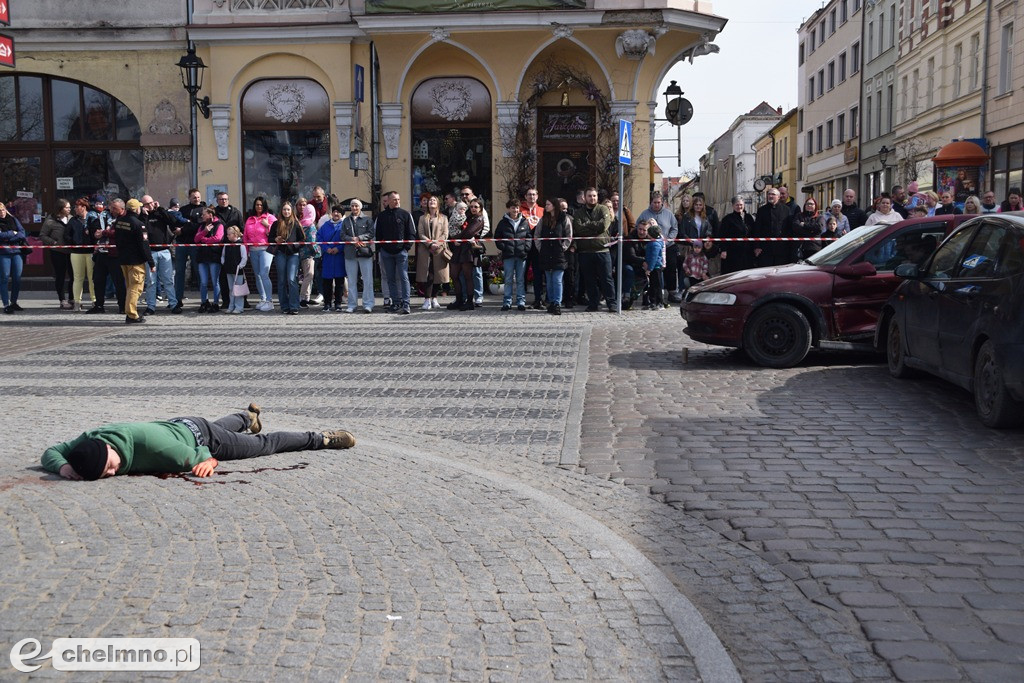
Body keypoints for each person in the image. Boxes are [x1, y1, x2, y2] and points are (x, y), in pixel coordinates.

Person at [41, 405, 356, 481]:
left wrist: (207, 463)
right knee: (225, 426)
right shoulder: (90, 441)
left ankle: (322, 438)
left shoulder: (158, 450)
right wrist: (65, 466)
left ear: (111, 451)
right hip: (181, 424)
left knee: (263, 445)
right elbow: (51, 451)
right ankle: (247, 415)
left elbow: (197, 454)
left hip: (201, 439)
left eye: (109, 467)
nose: (111, 473)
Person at [573, 187, 617, 312]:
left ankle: (611, 303)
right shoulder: (578, 212)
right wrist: (594, 226)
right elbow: (578, 229)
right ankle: (593, 303)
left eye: (594, 196)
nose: (592, 198)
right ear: (584, 198)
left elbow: (604, 226)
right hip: (585, 252)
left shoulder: (603, 209)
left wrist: (587, 224)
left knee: (606, 279)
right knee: (589, 280)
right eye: (589, 196)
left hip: (602, 251)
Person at [114, 198, 155, 324]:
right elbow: (144, 245)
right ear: (136, 209)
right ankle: (131, 314)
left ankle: (129, 312)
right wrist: (151, 262)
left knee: (129, 287)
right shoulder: (138, 225)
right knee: (135, 288)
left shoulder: (119, 222)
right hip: (135, 262)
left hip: (123, 260)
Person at [140, 195, 183, 315]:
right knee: (151, 282)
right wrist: (144, 215)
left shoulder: (160, 214)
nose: (150, 206)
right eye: (146, 204)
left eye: (151, 203)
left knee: (168, 280)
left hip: (164, 250)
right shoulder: (142, 217)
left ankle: (173, 304)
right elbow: (141, 229)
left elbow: (173, 221)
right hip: (150, 252)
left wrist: (160, 209)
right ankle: (151, 306)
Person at [375, 191, 417, 314]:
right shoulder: (382, 216)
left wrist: (406, 248)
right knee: (390, 279)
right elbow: (378, 235)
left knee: (404, 277)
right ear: (388, 201)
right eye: (394, 199)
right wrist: (381, 248)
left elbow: (412, 233)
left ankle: (406, 303)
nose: (397, 201)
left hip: (401, 252)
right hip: (386, 252)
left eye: (398, 199)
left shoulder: (405, 214)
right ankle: (395, 302)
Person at [636, 192, 678, 299]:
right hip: (651, 246)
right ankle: (651, 295)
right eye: (654, 202)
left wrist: (668, 240)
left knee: (671, 269)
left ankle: (672, 292)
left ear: (662, 202)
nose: (657, 205)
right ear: (651, 202)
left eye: (659, 202)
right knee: (654, 272)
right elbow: (638, 226)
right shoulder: (645, 214)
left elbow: (674, 228)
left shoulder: (669, 214)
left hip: (668, 246)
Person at [88, 199, 127, 315]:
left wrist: (104, 233)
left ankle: (122, 306)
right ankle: (99, 305)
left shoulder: (124, 218)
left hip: (115, 254)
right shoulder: (102, 216)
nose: (112, 210)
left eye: (115, 208)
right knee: (98, 280)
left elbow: (119, 232)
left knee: (119, 281)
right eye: (111, 207)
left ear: (122, 208)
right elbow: (94, 228)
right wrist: (95, 232)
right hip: (101, 252)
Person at [449, 198, 486, 311]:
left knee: (468, 276)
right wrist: (453, 239)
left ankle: (470, 302)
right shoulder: (468, 217)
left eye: (476, 207)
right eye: (472, 206)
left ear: (480, 208)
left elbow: (469, 233)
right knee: (454, 275)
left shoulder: (479, 219)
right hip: (459, 248)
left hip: (468, 250)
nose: (473, 209)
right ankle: (459, 299)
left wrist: (455, 238)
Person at [537, 199, 572, 315]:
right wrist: (540, 248)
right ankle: (551, 302)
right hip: (546, 254)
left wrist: (563, 247)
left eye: (548, 204)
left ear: (554, 206)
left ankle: (557, 303)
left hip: (558, 255)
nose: (546, 206)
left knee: (557, 280)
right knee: (549, 280)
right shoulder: (543, 219)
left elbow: (569, 235)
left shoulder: (564, 218)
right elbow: (537, 235)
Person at [173, 188, 205, 313]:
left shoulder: (204, 209)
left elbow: (199, 226)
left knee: (199, 271)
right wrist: (182, 227)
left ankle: (204, 300)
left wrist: (184, 229)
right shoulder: (183, 210)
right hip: (182, 244)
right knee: (179, 271)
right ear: (189, 198)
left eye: (198, 197)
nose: (196, 199)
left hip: (195, 244)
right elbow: (176, 222)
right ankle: (178, 299)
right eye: (194, 197)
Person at [415, 194, 450, 310]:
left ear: (438, 203)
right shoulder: (422, 218)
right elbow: (420, 233)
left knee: (438, 275)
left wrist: (437, 244)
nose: (431, 202)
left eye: (434, 200)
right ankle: (427, 299)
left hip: (439, 250)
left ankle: (434, 298)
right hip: (426, 250)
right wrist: (430, 243)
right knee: (428, 275)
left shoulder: (443, 218)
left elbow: (445, 234)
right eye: (430, 201)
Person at [494, 199, 530, 311]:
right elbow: (497, 237)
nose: (515, 210)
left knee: (520, 279)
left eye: (517, 207)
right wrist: (503, 247)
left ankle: (521, 302)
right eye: (513, 207)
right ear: (509, 208)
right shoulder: (503, 222)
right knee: (508, 279)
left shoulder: (524, 221)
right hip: (508, 255)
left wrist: (526, 248)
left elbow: (529, 237)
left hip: (521, 254)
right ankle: (507, 302)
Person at [39, 199, 75, 310]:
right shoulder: (50, 220)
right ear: (60, 209)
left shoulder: (71, 218)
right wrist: (54, 242)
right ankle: (62, 299)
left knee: (73, 276)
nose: (69, 209)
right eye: (67, 207)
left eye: (69, 207)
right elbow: (43, 235)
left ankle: (72, 298)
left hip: (71, 251)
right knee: (60, 276)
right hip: (58, 252)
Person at [341, 198, 375, 313]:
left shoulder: (367, 219)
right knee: (351, 280)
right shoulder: (346, 221)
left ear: (360, 207)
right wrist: (352, 239)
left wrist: (360, 238)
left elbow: (371, 233)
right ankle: (352, 304)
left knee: (367, 279)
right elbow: (342, 235)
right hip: (350, 253)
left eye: (356, 206)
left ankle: (368, 304)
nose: (354, 208)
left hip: (364, 252)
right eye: (352, 206)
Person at [271, 201, 305, 315]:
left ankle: (294, 305)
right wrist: (276, 239)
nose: (286, 211)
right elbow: (270, 239)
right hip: (280, 253)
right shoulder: (276, 224)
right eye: (284, 209)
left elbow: (302, 240)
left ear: (291, 211)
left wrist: (294, 245)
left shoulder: (296, 223)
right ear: (281, 211)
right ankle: (284, 306)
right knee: (281, 280)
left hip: (293, 254)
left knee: (291, 279)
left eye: (288, 210)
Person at [244, 196, 276, 312]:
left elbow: (276, 231)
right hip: (253, 249)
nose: (259, 207)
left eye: (261, 205)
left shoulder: (270, 217)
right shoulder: (250, 219)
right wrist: (246, 251)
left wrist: (268, 225)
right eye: (257, 205)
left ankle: (269, 300)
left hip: (265, 248)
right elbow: (245, 236)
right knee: (257, 275)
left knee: (264, 273)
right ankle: (262, 299)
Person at [214, 191, 244, 309]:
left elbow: (242, 228)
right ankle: (226, 301)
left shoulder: (236, 212)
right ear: (217, 201)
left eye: (225, 199)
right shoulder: (214, 213)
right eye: (221, 199)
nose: (224, 201)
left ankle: (242, 301)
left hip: (236, 249)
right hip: (220, 248)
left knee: (239, 276)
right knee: (223, 277)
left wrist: (238, 239)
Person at [67, 198, 97, 311]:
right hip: (76, 252)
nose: (75, 209)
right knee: (78, 277)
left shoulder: (92, 219)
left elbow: (96, 233)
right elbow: (67, 235)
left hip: (90, 252)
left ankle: (94, 300)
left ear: (83, 208)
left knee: (92, 278)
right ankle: (77, 302)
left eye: (77, 207)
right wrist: (74, 242)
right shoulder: (73, 221)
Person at [194, 207, 225, 313]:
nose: (202, 216)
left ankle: (216, 303)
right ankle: (204, 301)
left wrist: (204, 240)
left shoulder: (219, 225)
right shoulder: (202, 226)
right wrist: (205, 232)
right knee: (203, 282)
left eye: (204, 214)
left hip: (214, 256)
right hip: (202, 257)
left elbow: (218, 238)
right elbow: (196, 239)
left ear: (210, 215)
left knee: (215, 281)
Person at [715, 196, 755, 275]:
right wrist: (723, 250)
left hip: (747, 252)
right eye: (737, 205)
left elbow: (753, 232)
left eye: (741, 205)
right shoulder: (727, 219)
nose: (739, 207)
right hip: (732, 253)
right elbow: (722, 235)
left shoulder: (749, 217)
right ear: (733, 206)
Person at [317, 204, 346, 312]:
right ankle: (327, 303)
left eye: (338, 212)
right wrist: (326, 248)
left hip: (339, 257)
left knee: (339, 282)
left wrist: (338, 248)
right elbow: (319, 238)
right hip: (328, 258)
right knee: (327, 282)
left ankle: (338, 303)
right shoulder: (325, 226)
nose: (336, 213)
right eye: (334, 211)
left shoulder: (344, 225)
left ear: (342, 214)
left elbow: (346, 240)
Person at [521, 187, 546, 309]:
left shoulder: (542, 210)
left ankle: (538, 299)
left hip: (537, 247)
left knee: (537, 273)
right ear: (525, 196)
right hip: (523, 246)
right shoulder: (519, 210)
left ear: (537, 196)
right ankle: (521, 299)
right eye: (529, 195)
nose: (531, 197)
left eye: (534, 195)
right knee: (522, 273)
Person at [753, 187, 792, 266]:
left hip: (782, 249)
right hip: (765, 249)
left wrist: (790, 247)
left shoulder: (786, 210)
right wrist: (757, 246)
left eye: (773, 194)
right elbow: (757, 229)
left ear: (778, 196)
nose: (770, 196)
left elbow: (789, 229)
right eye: (769, 194)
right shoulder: (761, 210)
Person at [0, 201, 27, 314]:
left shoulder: (13, 219)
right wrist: (13, 233)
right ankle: (6, 304)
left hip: (16, 252)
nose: (1, 213)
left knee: (17, 278)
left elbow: (22, 233)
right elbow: (0, 236)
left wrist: (9, 237)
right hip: (3, 252)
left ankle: (14, 302)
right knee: (5, 277)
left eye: (2, 210)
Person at [620, 219, 651, 309]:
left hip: (642, 263)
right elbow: (630, 256)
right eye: (640, 229)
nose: (641, 232)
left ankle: (648, 297)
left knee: (654, 271)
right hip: (628, 262)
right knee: (629, 271)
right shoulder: (630, 238)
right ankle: (627, 295)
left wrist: (647, 263)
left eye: (644, 230)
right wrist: (643, 261)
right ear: (637, 228)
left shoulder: (649, 240)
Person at [296, 197, 320, 308]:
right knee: (309, 275)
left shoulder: (301, 223)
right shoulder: (310, 225)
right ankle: (302, 298)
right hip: (309, 254)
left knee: (306, 275)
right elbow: (312, 241)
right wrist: (318, 252)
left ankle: (307, 298)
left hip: (301, 253)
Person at [221, 225, 248, 314]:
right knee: (231, 289)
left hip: (237, 270)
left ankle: (239, 307)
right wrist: (224, 262)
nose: (227, 236)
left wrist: (240, 266)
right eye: (227, 234)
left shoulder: (241, 245)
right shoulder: (227, 245)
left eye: (229, 234)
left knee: (238, 289)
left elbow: (244, 257)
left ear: (235, 234)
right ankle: (231, 306)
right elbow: (223, 256)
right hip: (229, 269)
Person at [644, 225, 665, 309]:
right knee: (652, 285)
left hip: (655, 268)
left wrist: (649, 269)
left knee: (657, 286)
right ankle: (653, 302)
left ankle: (659, 302)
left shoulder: (655, 244)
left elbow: (654, 258)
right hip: (653, 267)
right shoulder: (653, 243)